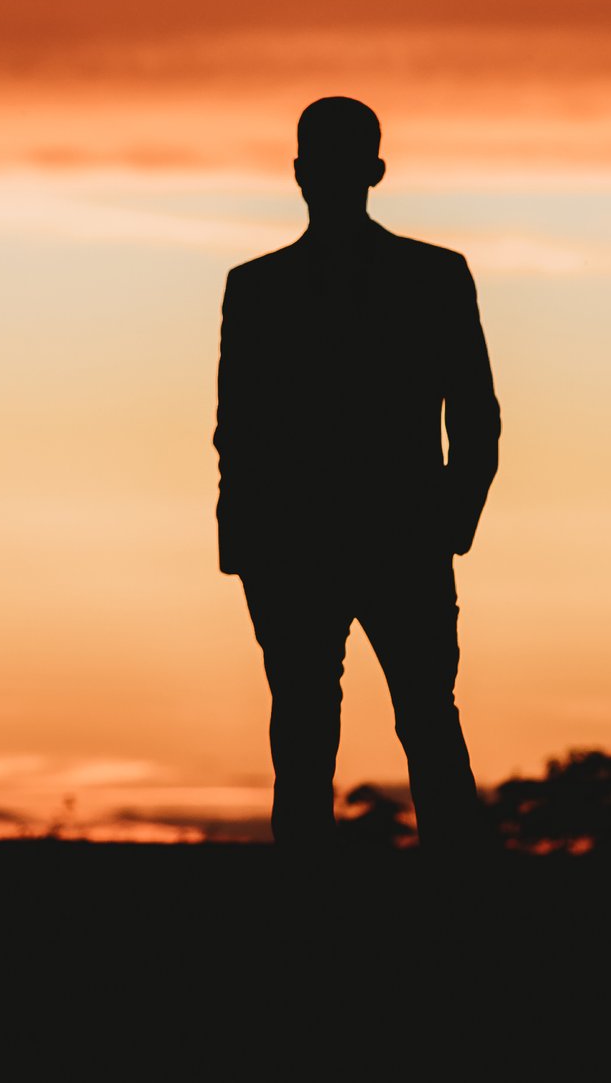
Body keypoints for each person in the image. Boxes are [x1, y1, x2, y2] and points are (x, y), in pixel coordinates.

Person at [214, 97, 499, 852]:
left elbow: (476, 420)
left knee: (411, 724)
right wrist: (243, 544)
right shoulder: (263, 288)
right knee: (322, 734)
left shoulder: (428, 277)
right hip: (315, 545)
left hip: (381, 538)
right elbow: (238, 432)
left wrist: (448, 525)